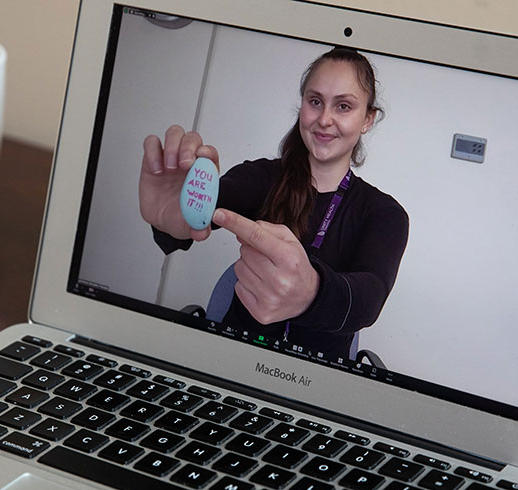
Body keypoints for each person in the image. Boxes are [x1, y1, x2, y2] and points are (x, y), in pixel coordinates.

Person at [139, 47, 409, 362]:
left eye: (344, 106)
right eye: (315, 101)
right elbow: (210, 206)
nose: (324, 119)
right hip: (234, 359)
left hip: (317, 379)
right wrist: (178, 214)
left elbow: (369, 298)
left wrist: (313, 291)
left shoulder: (385, 213)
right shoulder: (263, 177)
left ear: (367, 119)